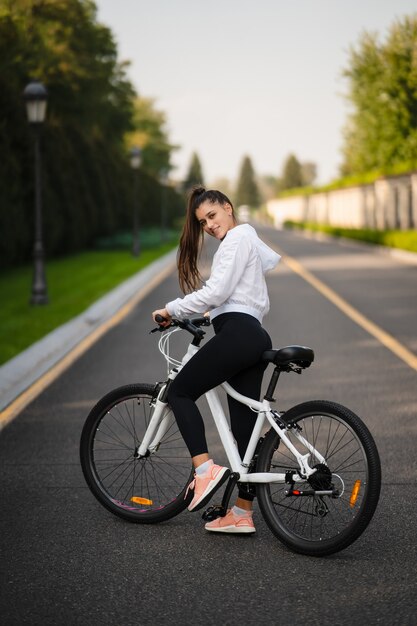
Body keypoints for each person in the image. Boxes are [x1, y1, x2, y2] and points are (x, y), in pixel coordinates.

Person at [152, 187, 280, 534]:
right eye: (202, 222)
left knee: (179, 392)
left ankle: (204, 469)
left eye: (212, 216)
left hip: (238, 335)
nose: (208, 225)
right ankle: (241, 514)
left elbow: (219, 291)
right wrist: (210, 316)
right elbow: (237, 299)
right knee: (244, 433)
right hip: (251, 334)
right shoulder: (245, 241)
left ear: (228, 208)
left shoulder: (237, 238)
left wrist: (171, 309)